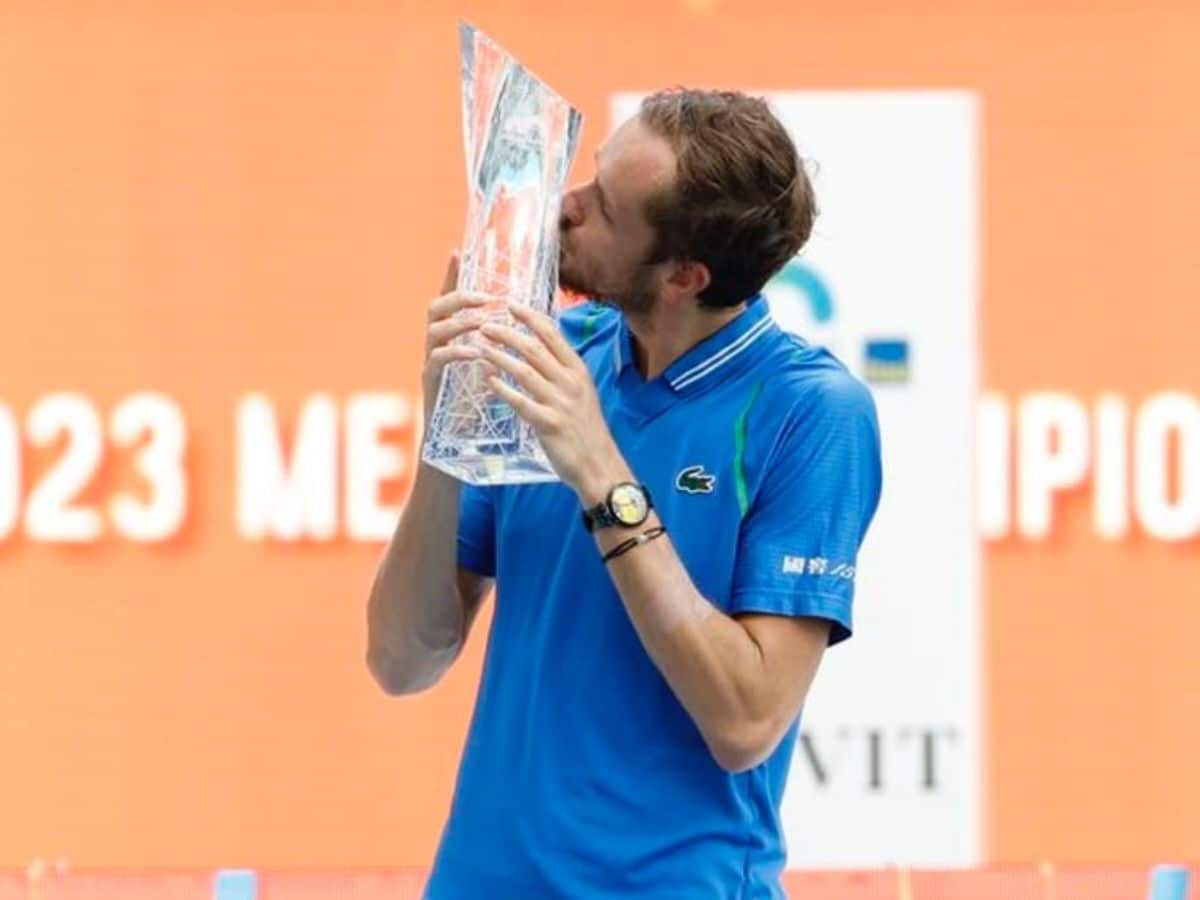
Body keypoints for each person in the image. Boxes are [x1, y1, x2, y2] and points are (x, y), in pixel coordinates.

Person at [367, 88, 882, 899]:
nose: (563, 210)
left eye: (603, 208)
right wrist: (446, 427)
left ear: (683, 275)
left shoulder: (810, 410)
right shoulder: (555, 358)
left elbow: (746, 721)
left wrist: (601, 471)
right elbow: (401, 659)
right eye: (587, 178)